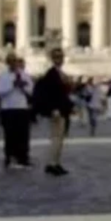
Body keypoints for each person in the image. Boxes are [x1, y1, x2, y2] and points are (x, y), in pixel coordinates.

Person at [35, 48, 74, 176]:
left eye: (61, 57)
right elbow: (50, 94)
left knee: (59, 138)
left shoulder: (59, 73)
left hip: (62, 110)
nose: (59, 59)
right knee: (56, 138)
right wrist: (53, 109)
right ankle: (52, 164)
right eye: (57, 57)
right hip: (57, 110)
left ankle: (55, 162)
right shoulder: (51, 74)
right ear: (53, 59)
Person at [0, 53, 33, 169]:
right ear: (7, 63)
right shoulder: (3, 76)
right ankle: (9, 157)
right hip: (8, 108)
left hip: (22, 108)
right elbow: (0, 92)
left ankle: (23, 158)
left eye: (15, 61)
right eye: (11, 61)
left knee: (23, 135)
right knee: (10, 135)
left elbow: (31, 91)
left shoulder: (25, 75)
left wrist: (22, 86)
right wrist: (12, 86)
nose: (13, 63)